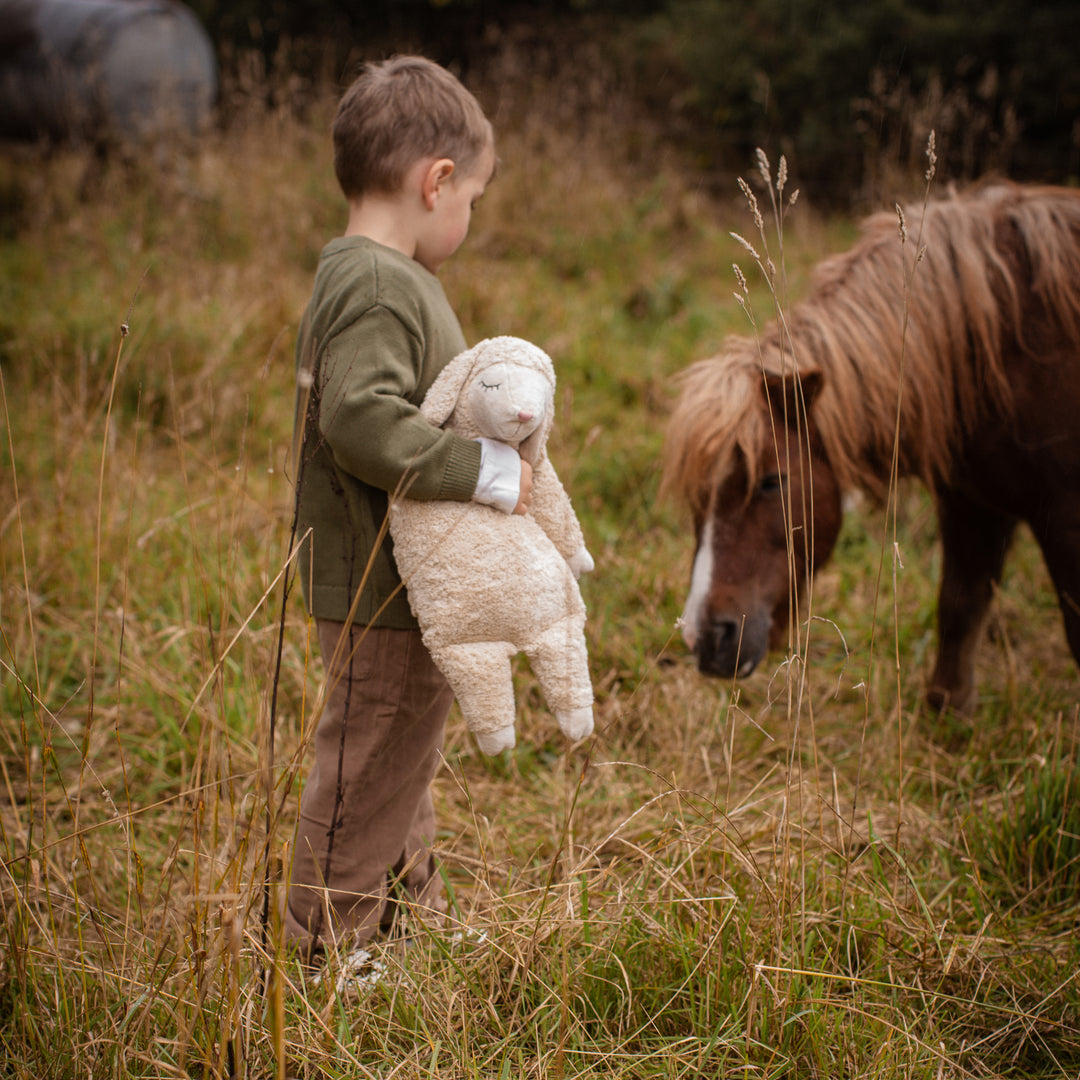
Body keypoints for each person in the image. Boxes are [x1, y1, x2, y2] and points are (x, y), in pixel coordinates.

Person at [284, 55, 529, 966]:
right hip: (380, 582)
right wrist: (483, 469)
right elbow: (359, 420)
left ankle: (406, 910)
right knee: (369, 763)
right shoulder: (383, 286)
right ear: (437, 182)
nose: (469, 219)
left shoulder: (368, 276)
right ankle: (321, 952)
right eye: (474, 199)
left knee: (400, 758)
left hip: (398, 579)